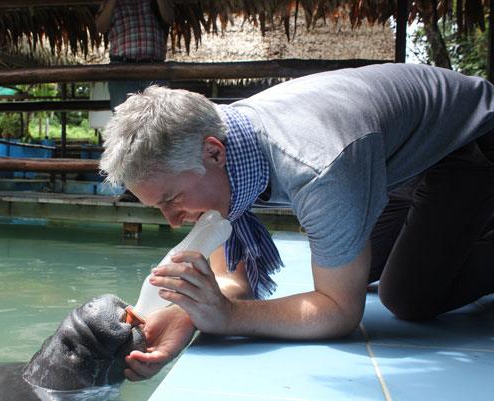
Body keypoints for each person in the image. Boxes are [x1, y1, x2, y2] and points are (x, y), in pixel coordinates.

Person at [99, 63, 494, 381]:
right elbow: (234, 281)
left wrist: (228, 316)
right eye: (159, 207)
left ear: (214, 153)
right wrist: (185, 317)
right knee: (359, 266)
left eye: (172, 200)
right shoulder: (226, 144)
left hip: (472, 141)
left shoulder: (317, 166)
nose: (172, 222)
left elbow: (338, 312)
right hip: (401, 162)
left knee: (406, 296)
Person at [95, 0, 174, 109]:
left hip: (155, 68)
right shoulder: (109, 3)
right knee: (124, 119)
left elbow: (170, 18)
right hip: (121, 69)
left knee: (160, 117)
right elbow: (100, 27)